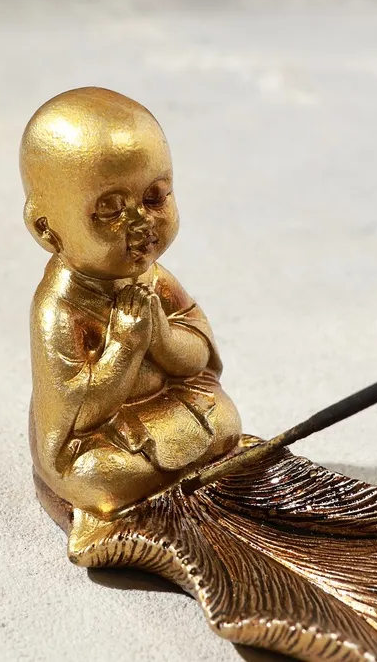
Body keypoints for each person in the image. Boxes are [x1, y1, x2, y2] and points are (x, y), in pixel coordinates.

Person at [20, 87, 242, 516]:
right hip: (98, 439)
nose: (142, 223)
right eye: (111, 210)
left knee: (225, 421)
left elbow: (199, 357)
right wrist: (124, 345)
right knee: (98, 477)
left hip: (169, 409)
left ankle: (173, 483)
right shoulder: (58, 307)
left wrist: (162, 337)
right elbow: (74, 413)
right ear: (46, 228)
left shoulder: (154, 278)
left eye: (155, 198)